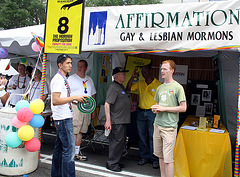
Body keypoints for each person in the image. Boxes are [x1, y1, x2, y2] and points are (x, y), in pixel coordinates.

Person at [50, 54, 88, 177]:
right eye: (67, 63)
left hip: (64, 117)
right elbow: (55, 100)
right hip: (63, 118)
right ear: (60, 65)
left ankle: (56, 174)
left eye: (71, 63)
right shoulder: (58, 79)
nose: (70, 65)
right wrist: (74, 97)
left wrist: (77, 100)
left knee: (59, 149)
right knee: (69, 151)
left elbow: (62, 99)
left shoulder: (63, 78)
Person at [151, 60, 187, 177]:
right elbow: (158, 105)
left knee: (168, 159)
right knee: (160, 156)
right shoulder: (159, 88)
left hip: (169, 127)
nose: (162, 71)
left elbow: (183, 108)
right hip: (157, 125)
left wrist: (164, 109)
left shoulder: (178, 87)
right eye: (161, 68)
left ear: (172, 71)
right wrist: (155, 109)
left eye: (165, 69)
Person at [126, 64, 161, 169]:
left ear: (151, 70)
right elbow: (128, 89)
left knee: (152, 136)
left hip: (152, 113)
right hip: (140, 112)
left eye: (146, 70)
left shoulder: (158, 85)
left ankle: (154, 159)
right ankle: (144, 157)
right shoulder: (140, 83)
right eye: (142, 71)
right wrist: (132, 77)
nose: (144, 72)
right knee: (142, 137)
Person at [68, 59, 97, 161]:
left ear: (86, 68)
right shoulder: (71, 79)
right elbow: (66, 94)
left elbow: (93, 95)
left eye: (81, 66)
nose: (79, 68)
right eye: (78, 66)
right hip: (76, 106)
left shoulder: (89, 80)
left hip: (87, 108)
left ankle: (76, 153)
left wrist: (94, 110)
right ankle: (70, 152)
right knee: (74, 129)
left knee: (81, 130)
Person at [105, 67, 132, 172]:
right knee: (116, 142)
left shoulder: (120, 86)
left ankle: (116, 161)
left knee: (120, 142)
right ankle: (112, 163)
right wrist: (108, 120)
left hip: (122, 119)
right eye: (122, 74)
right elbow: (107, 104)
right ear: (116, 76)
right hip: (117, 120)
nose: (125, 75)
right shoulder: (113, 87)